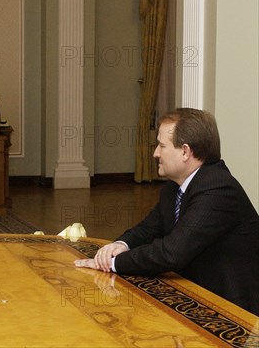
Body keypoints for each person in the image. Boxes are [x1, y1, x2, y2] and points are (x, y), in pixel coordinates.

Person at [74, 108, 259, 316]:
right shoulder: (174, 186)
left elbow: (171, 253)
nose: (155, 153)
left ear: (185, 151)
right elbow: (148, 228)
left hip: (233, 313)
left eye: (162, 146)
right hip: (194, 297)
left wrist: (113, 262)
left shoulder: (217, 189)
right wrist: (120, 245)